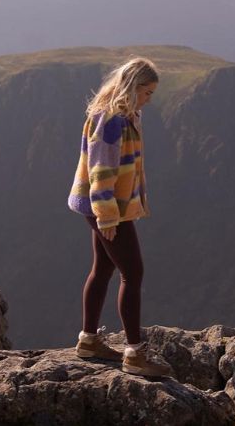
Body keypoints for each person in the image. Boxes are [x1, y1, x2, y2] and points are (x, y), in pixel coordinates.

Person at [67, 57, 172, 378]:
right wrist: (108, 218)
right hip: (106, 208)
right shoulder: (110, 119)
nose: (149, 99)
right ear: (134, 87)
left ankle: (89, 341)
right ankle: (135, 354)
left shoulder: (124, 115)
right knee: (133, 273)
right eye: (148, 92)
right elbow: (101, 173)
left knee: (103, 268)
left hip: (108, 207)